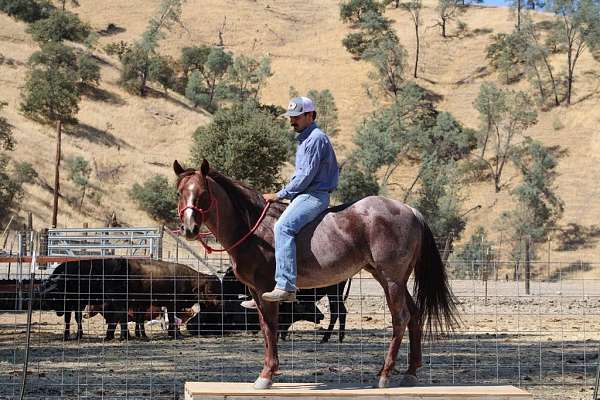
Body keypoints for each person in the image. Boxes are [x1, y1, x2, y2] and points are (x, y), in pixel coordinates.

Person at [241, 96, 339, 309]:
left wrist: (280, 194)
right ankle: (263, 287)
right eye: (291, 117)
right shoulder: (306, 138)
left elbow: (305, 176)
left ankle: (286, 285)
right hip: (305, 194)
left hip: (314, 195)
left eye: (296, 117)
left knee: (283, 227)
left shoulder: (315, 139)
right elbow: (300, 176)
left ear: (310, 115)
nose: (292, 121)